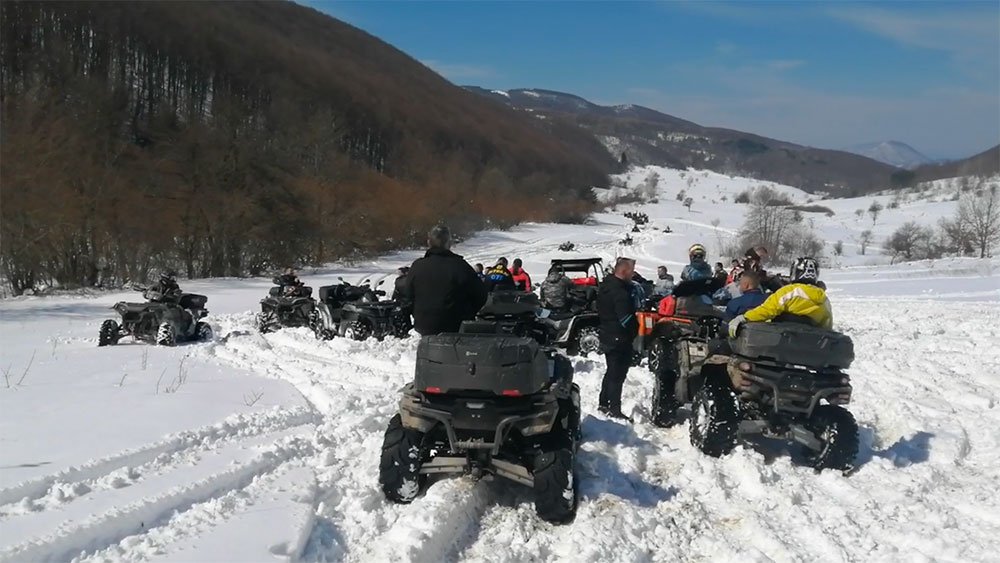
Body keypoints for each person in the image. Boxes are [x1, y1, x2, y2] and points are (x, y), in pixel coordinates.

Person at [401, 225, 487, 336]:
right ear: (449, 243)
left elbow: (408, 296)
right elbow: (481, 294)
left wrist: (419, 314)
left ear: (428, 242)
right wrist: (468, 313)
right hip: (455, 325)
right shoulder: (460, 266)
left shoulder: (417, 266)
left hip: (424, 326)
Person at [729, 257, 831, 338]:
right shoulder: (823, 299)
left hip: (780, 341)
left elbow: (767, 310)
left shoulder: (789, 291)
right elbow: (826, 326)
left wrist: (745, 317)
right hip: (808, 343)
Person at [597, 257, 640, 421]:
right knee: (617, 374)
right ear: (624, 271)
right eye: (631, 271)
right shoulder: (619, 291)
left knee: (611, 371)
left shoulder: (606, 285)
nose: (633, 274)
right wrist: (634, 330)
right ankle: (614, 409)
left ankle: (603, 402)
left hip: (607, 333)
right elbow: (625, 318)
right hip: (618, 337)